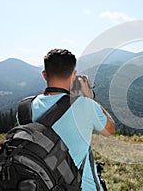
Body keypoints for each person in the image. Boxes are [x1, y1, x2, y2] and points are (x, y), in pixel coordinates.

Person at [29, 49, 115, 190]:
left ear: (44, 75)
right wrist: (89, 97)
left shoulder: (25, 108)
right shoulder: (86, 106)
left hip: (40, 185)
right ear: (74, 75)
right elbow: (110, 129)